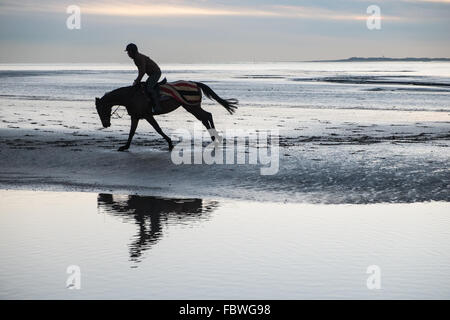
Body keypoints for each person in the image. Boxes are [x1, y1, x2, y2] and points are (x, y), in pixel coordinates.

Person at [125, 43, 162, 113]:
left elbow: (142, 71)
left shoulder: (139, 58)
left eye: (128, 52)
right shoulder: (135, 59)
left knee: (149, 88)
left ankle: (157, 107)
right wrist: (137, 80)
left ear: (132, 51)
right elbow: (140, 72)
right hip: (151, 74)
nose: (128, 54)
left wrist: (137, 81)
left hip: (156, 73)